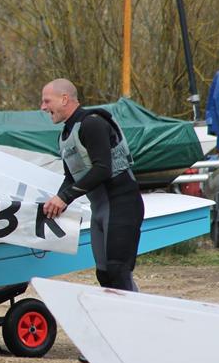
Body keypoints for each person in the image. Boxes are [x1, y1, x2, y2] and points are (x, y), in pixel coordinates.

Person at [41, 79, 145, 291]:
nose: (42, 107)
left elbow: (102, 169)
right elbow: (72, 177)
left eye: (46, 101)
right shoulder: (66, 134)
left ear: (64, 99)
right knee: (104, 274)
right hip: (101, 209)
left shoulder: (92, 123)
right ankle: (115, 320)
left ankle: (136, 319)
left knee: (118, 270)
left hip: (121, 206)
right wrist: (54, 202)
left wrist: (65, 198)